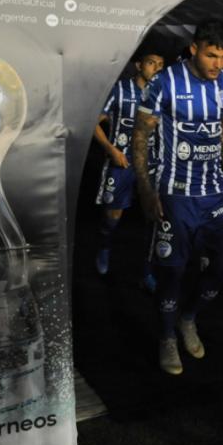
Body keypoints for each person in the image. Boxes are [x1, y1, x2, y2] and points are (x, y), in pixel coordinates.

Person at [133, 20, 223, 376]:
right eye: (211, 55)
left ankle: (188, 318)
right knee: (172, 270)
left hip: (214, 194)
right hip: (175, 193)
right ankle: (166, 337)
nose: (217, 64)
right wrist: (146, 190)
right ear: (194, 49)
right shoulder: (165, 82)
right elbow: (140, 136)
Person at [92, 49, 164, 276]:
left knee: (154, 218)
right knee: (112, 217)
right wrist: (111, 149)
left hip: (150, 164)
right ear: (138, 65)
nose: (156, 68)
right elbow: (94, 123)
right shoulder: (120, 90)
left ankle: (148, 269)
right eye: (152, 62)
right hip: (121, 162)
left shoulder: (162, 93)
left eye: (160, 64)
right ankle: (104, 247)